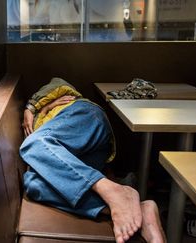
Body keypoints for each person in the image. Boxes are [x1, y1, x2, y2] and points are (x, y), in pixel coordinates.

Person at [20, 77, 166, 243]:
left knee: (34, 143)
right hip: (77, 158)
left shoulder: (60, 99)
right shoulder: (44, 126)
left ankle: (110, 189)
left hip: (85, 119)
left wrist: (31, 107)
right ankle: (138, 209)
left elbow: (58, 83)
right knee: (34, 184)